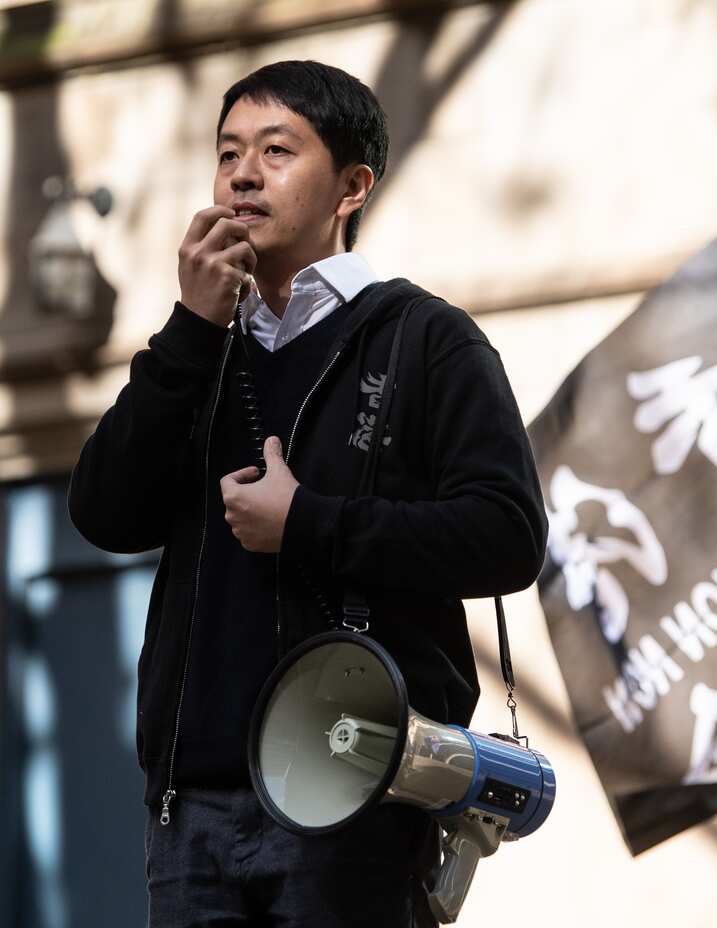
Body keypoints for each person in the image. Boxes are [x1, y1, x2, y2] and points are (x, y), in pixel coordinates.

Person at [67, 59, 547, 926]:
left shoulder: (426, 340)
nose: (243, 173)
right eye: (227, 154)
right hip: (193, 812)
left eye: (277, 150)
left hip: (355, 793)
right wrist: (188, 331)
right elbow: (103, 513)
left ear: (351, 186)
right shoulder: (201, 346)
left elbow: (508, 534)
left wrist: (309, 524)